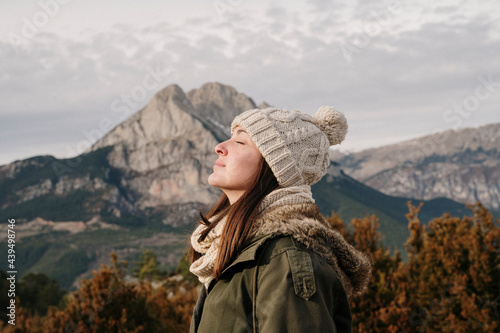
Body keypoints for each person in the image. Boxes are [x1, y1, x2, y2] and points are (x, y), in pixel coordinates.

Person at [188, 106, 371, 332]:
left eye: (241, 142)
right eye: (230, 137)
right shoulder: (239, 249)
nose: (220, 147)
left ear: (275, 167)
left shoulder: (285, 258)